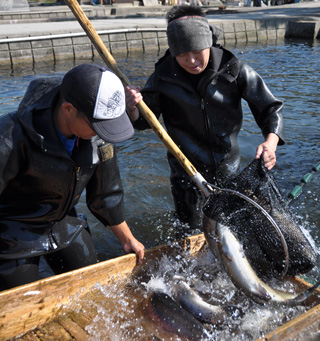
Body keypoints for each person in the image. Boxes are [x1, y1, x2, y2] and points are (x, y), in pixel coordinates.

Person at [125, 5, 284, 233]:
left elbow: (271, 107)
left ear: (208, 42)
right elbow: (142, 122)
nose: (191, 60)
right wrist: (132, 107)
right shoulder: (162, 77)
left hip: (229, 172)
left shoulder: (234, 70)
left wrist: (271, 142)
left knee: (232, 233)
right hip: (185, 174)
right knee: (187, 232)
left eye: (197, 50)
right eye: (182, 54)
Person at [0, 63, 145, 291]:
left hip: (63, 221)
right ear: (68, 109)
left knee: (91, 289)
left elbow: (106, 195)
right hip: (12, 231)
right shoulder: (9, 135)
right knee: (23, 302)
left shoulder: (100, 133)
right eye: (97, 126)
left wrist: (128, 239)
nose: (103, 133)